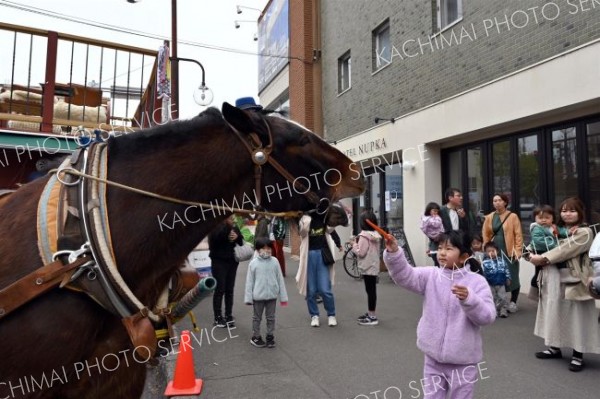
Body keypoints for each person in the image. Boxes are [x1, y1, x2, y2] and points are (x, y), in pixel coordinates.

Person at [383, 230, 496, 398]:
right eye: (440, 247)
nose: (442, 252)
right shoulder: (431, 275)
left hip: (463, 362)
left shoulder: (477, 282)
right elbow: (405, 276)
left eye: (449, 248)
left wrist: (470, 299)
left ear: (464, 256)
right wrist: (394, 252)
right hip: (433, 358)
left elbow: (487, 317)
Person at [528, 197, 600, 372]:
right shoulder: (554, 229)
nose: (567, 214)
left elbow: (564, 250)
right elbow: (534, 245)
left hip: (575, 281)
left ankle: (578, 354)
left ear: (580, 212)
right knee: (554, 313)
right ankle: (554, 348)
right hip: (552, 279)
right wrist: (529, 254)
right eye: (564, 210)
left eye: (572, 210)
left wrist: (543, 258)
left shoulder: (585, 232)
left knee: (577, 318)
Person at [295, 212, 339, 328]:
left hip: (322, 255)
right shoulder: (304, 218)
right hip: (308, 256)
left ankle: (331, 314)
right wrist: (305, 217)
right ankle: (314, 315)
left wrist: (339, 244)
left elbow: (332, 230)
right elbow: (301, 232)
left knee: (325, 289)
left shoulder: (324, 217)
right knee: (311, 290)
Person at [482, 193, 523, 313]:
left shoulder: (512, 216)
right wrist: (486, 250)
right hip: (494, 250)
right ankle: (498, 302)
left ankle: (513, 302)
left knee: (513, 275)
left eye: (499, 200)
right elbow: (485, 235)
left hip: (509, 250)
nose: (497, 203)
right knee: (495, 275)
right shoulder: (489, 217)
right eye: (494, 201)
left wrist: (518, 250)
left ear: (505, 202)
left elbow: (518, 234)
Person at [244, 238, 288, 348]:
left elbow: (280, 280)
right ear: (258, 250)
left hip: (272, 296)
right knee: (257, 318)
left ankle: (270, 336)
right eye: (263, 248)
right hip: (258, 297)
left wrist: (283, 297)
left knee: (271, 317)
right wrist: (248, 298)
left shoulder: (275, 261)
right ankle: (256, 337)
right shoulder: (253, 264)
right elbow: (249, 282)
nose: (266, 250)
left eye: (268, 248)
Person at [524, 205, 567, 299]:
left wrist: (569, 232)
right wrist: (555, 246)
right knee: (539, 271)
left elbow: (562, 232)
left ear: (552, 218)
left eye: (547, 218)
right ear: (535, 218)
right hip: (539, 250)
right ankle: (535, 288)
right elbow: (539, 241)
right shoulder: (536, 228)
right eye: (540, 218)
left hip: (549, 250)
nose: (543, 220)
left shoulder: (553, 227)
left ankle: (564, 274)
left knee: (558, 264)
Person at [209, 215, 243, 328]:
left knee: (230, 290)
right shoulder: (214, 225)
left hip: (232, 261)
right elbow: (216, 239)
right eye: (230, 215)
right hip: (219, 261)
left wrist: (237, 237)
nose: (233, 217)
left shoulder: (234, 225)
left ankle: (229, 316)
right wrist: (228, 227)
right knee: (220, 290)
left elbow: (241, 242)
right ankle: (218, 317)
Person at [352, 210, 382, 326]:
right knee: (372, 290)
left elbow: (361, 253)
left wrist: (354, 244)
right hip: (373, 265)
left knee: (370, 291)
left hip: (367, 266)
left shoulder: (364, 236)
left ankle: (372, 316)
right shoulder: (376, 234)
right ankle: (370, 312)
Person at [481, 241, 511, 318]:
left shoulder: (502, 261)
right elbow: (482, 273)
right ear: (485, 252)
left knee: (502, 297)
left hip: (501, 283)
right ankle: (493, 311)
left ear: (497, 251)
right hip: (490, 283)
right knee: (492, 297)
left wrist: (508, 278)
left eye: (493, 251)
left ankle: (503, 310)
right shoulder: (484, 263)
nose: (491, 253)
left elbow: (506, 270)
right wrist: (484, 282)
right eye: (489, 251)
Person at [420, 202, 444, 266]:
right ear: (429, 210)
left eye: (437, 211)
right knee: (436, 258)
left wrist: (440, 234)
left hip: (440, 237)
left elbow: (441, 228)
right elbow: (423, 228)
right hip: (432, 239)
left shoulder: (439, 218)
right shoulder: (426, 219)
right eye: (434, 211)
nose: (435, 212)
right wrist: (431, 236)